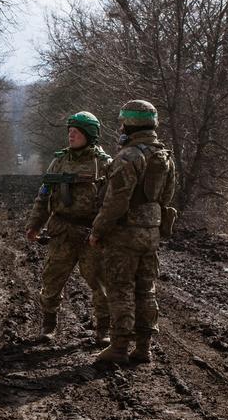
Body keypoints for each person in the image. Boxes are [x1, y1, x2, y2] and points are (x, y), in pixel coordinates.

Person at [89, 100, 176, 365]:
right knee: (145, 289)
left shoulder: (128, 157)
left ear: (129, 123)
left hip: (124, 234)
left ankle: (118, 347)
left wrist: (98, 229)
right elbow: (167, 196)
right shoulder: (164, 156)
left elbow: (116, 201)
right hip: (151, 234)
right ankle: (144, 347)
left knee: (120, 288)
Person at [25, 111, 112, 345]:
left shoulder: (104, 164)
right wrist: (35, 224)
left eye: (76, 133)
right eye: (69, 132)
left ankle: (104, 330)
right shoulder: (59, 161)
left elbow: (113, 202)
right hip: (62, 231)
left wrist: (103, 231)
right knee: (52, 279)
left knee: (100, 283)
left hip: (91, 234)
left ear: (89, 135)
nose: (71, 136)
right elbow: (43, 197)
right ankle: (48, 325)